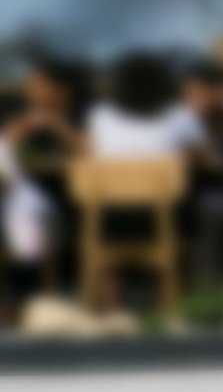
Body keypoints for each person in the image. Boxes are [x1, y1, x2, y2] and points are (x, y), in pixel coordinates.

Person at [1, 61, 82, 275]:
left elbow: (89, 152)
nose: (32, 91)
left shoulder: (81, 115)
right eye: (30, 85)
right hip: (26, 196)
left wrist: (57, 125)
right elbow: (4, 146)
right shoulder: (19, 115)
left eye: (39, 85)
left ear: (61, 89)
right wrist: (22, 128)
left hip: (73, 199)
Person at [88, 53, 204, 160]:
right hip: (166, 181)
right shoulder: (182, 115)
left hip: (109, 181)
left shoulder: (100, 114)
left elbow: (91, 154)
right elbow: (205, 158)